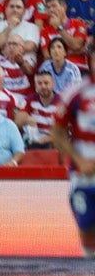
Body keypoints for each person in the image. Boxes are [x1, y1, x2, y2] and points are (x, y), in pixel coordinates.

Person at [51, 80, 95, 256]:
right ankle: (89, 270)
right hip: (83, 175)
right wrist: (79, 160)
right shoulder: (76, 92)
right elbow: (56, 133)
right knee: (86, 229)